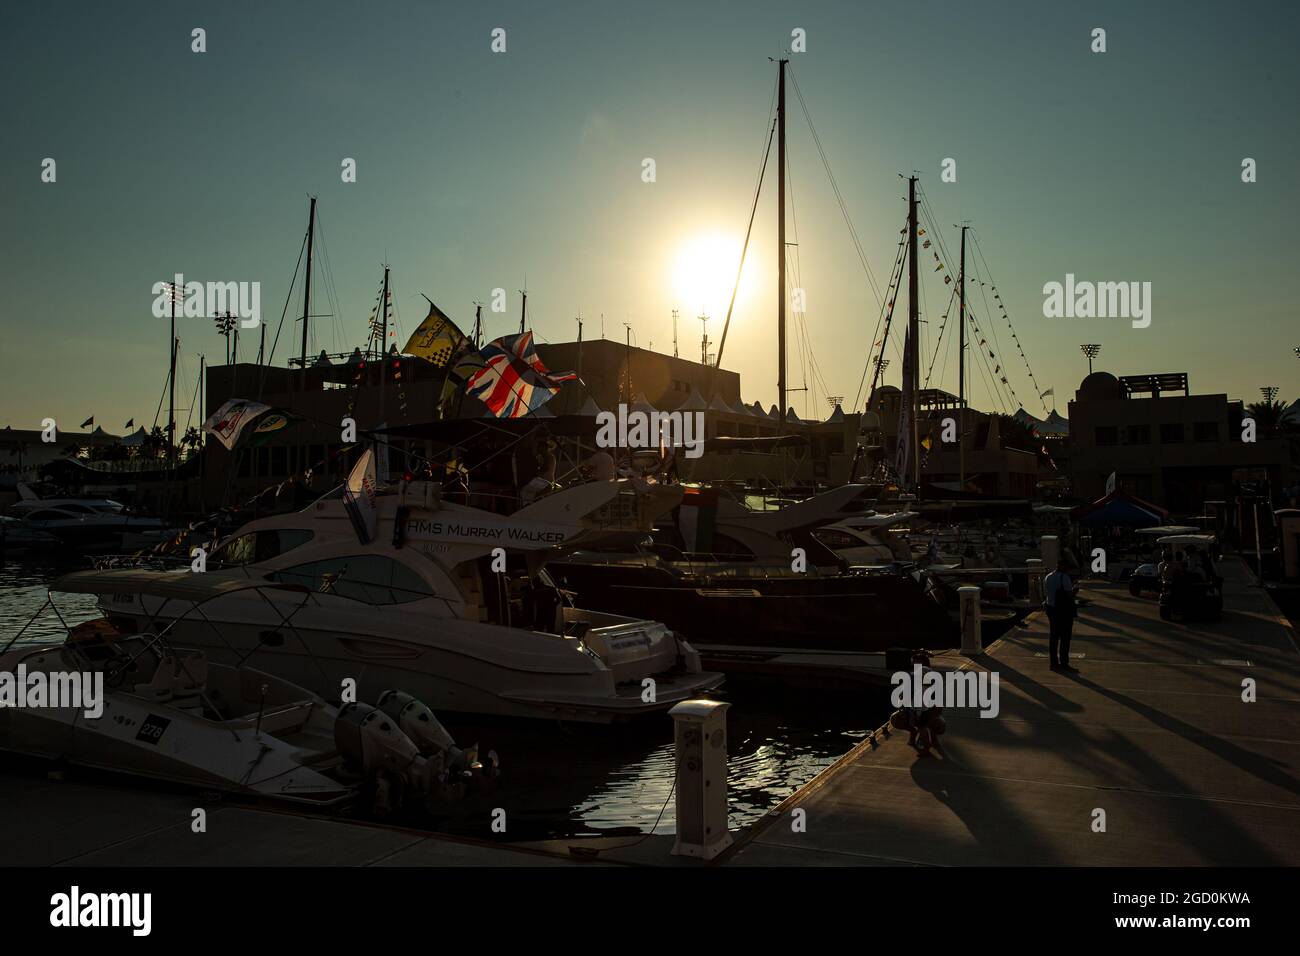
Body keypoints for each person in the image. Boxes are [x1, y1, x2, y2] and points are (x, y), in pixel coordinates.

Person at [1043, 558, 1079, 672]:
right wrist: (1075, 590)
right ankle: (1064, 663)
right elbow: (1069, 596)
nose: (1068, 569)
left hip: (1051, 609)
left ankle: (1053, 663)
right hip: (1063, 611)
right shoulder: (1065, 578)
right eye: (1067, 567)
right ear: (1063, 566)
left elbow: (1047, 593)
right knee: (1065, 638)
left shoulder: (1048, 577)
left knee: (1053, 637)